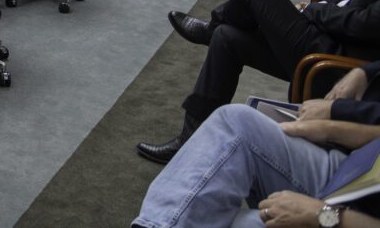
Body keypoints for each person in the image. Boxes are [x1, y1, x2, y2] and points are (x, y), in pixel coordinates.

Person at [136, 0, 380, 164]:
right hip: (329, 40)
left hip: (336, 62)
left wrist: (313, 11)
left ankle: (209, 30)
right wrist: (320, 7)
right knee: (226, 37)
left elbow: (364, 24)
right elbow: (354, 0)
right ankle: (189, 140)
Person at [134, 61, 380, 227]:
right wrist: (330, 129)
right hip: (362, 167)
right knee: (235, 121)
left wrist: (323, 216)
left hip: (350, 216)